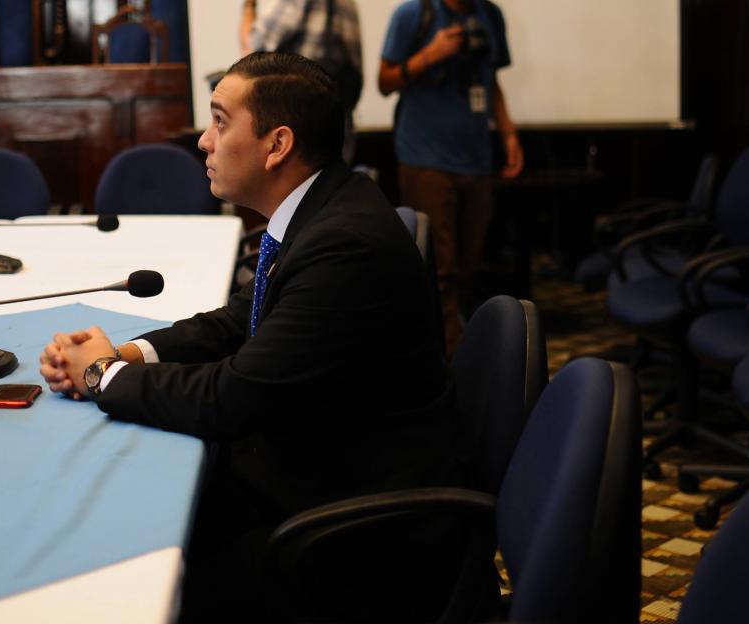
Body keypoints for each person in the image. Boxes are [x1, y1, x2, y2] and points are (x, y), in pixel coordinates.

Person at [39, 52, 461, 620]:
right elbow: (240, 320)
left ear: (277, 144)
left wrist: (101, 376)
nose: (203, 143)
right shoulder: (322, 210)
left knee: (127, 564)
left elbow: (234, 398)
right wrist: (128, 352)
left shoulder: (344, 244)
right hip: (313, 470)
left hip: (351, 531)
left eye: (219, 121)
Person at [380, 0, 523, 357]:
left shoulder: (489, 14)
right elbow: (385, 81)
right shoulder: (413, 13)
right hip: (425, 159)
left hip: (477, 160)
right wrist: (432, 54)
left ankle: (462, 352)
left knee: (468, 267)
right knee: (437, 270)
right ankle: (449, 366)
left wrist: (507, 135)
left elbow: (492, 82)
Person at [239, 0, 362, 162]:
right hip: (337, 132)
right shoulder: (347, 4)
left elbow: (253, 50)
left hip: (293, 132)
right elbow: (355, 75)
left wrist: (249, 7)